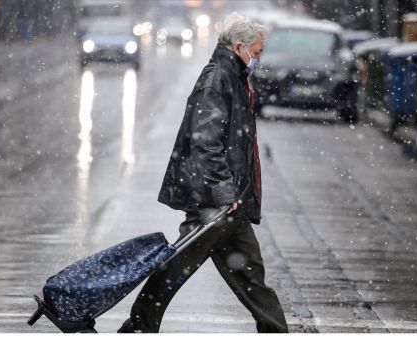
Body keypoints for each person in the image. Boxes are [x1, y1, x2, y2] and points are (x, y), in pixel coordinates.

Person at [118, 12, 289, 333]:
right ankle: (138, 326)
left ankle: (276, 331)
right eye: (257, 51)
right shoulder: (218, 80)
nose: (259, 58)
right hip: (216, 201)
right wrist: (225, 193)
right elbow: (205, 141)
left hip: (227, 202)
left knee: (249, 274)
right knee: (175, 267)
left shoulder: (233, 78)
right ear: (239, 48)